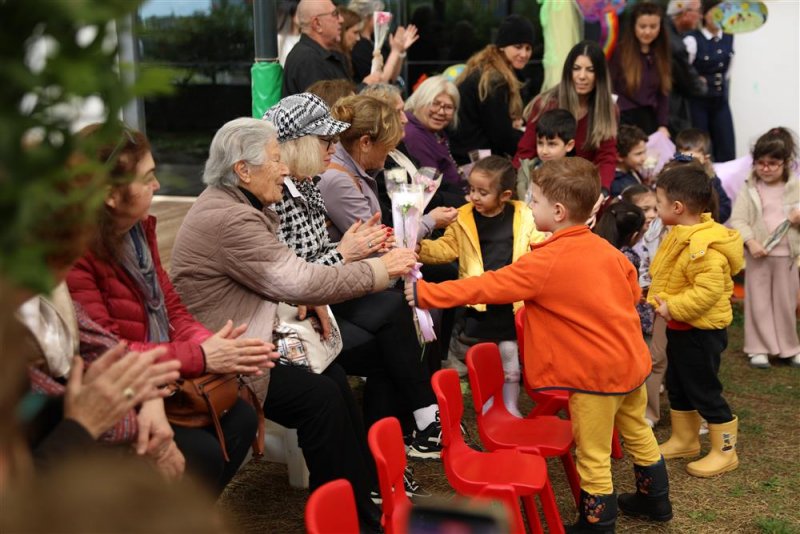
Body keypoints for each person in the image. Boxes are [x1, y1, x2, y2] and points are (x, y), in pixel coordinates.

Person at [168, 117, 416, 531]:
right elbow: (298, 277)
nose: (284, 168)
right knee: (322, 398)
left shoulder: (234, 204)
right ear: (243, 170)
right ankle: (345, 518)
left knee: (333, 381)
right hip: (227, 357)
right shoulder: (232, 218)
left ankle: (360, 507)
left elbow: (285, 279)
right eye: (275, 159)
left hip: (248, 341)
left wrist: (306, 294)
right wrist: (380, 269)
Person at [406, 157, 671, 531]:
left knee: (592, 453)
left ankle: (597, 524)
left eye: (534, 200)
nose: (529, 206)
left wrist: (428, 293)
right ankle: (655, 499)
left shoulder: (544, 262)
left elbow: (487, 286)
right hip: (631, 363)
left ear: (558, 211)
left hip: (593, 378)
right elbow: (632, 295)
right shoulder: (607, 250)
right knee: (638, 431)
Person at [66, 127, 275, 495]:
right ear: (110, 194)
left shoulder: (135, 233)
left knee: (240, 418)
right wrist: (202, 355)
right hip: (117, 395)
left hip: (158, 377)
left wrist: (212, 345)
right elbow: (107, 352)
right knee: (203, 453)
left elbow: (172, 308)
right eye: (147, 177)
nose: (158, 185)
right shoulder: (78, 255)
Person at [263, 94, 444, 476]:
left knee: (397, 314)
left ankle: (397, 443)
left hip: (321, 300)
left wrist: (350, 249)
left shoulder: (307, 185)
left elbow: (314, 258)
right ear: (298, 145)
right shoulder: (278, 195)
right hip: (296, 317)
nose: (334, 148)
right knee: (393, 331)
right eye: (325, 141)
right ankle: (402, 439)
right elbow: (294, 280)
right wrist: (347, 253)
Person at [418, 156, 545, 417]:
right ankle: (488, 405)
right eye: (471, 189)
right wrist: (420, 248)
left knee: (510, 353)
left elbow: (539, 242)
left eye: (483, 192)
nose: (474, 196)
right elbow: (446, 248)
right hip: (480, 300)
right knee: (483, 356)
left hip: (511, 302)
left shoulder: (523, 215)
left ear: (505, 195)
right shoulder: (463, 218)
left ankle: (510, 405)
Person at [648, 162, 744, 478]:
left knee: (704, 389)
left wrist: (672, 307)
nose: (656, 208)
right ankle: (685, 439)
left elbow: (707, 291)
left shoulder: (705, 247)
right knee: (678, 384)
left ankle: (725, 451)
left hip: (701, 332)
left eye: (658, 203)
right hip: (681, 327)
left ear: (677, 207)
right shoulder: (681, 234)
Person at [319, 94, 455, 240]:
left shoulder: (350, 168)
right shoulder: (339, 181)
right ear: (365, 143)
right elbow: (376, 244)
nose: (391, 150)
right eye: (388, 143)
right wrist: (430, 221)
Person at [729, 127, 800, 369]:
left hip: (787, 256)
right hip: (757, 255)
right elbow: (738, 219)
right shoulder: (750, 188)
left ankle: (788, 348)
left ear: (785, 163)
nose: (765, 168)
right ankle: (758, 348)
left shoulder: (795, 186)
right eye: (760, 163)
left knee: (786, 303)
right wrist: (750, 241)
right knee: (758, 303)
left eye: (772, 163)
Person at [514, 41, 618, 192]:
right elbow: (525, 154)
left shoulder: (608, 109)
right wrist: (518, 190)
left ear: (600, 75)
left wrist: (601, 191)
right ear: (568, 71)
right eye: (576, 68)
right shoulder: (546, 104)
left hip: (587, 189)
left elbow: (606, 157)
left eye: (590, 70)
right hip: (545, 187)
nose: (582, 76)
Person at [450, 15, 535, 163]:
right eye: (518, 47)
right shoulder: (494, 79)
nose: (524, 54)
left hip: (468, 154)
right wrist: (534, 144)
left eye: (528, 48)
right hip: (473, 161)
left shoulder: (487, 69)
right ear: (502, 46)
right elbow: (502, 135)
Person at [282, 0, 379, 97]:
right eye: (335, 14)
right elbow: (328, 103)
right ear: (317, 24)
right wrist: (365, 86)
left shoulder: (327, 53)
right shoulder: (307, 59)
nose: (341, 20)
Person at [683, 0, 735, 162]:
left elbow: (728, 71)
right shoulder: (692, 39)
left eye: (723, 12)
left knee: (726, 145)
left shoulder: (728, 37)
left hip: (720, 100)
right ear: (703, 15)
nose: (720, 16)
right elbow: (684, 73)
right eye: (715, 12)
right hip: (698, 103)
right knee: (700, 147)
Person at [610, 2, 672, 136]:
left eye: (653, 26)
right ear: (634, 26)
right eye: (642, 26)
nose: (647, 32)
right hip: (624, 119)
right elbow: (610, 88)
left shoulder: (661, 54)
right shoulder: (619, 53)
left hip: (651, 120)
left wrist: (663, 125)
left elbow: (663, 94)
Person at [594, 200, 651, 339]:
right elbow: (631, 296)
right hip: (620, 326)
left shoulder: (593, 248)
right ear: (634, 235)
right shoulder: (628, 257)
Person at [403, 75, 464, 197]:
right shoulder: (413, 135)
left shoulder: (433, 131)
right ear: (420, 101)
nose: (441, 112)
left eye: (448, 107)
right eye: (435, 104)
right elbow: (431, 187)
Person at [516, 108, 577, 202]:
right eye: (540, 143)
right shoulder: (528, 169)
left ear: (569, 145)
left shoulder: (575, 177)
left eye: (551, 144)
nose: (544, 151)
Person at [666, 0, 706, 135]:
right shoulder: (674, 44)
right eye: (698, 11)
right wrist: (701, 83)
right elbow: (689, 81)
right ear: (684, 13)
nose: (700, 16)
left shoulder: (669, 32)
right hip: (670, 111)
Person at [674, 128, 732, 222]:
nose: (689, 163)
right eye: (683, 158)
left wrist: (707, 219)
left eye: (694, 159)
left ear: (705, 158)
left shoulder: (711, 179)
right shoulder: (671, 179)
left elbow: (725, 207)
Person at [611, 125, 649, 197]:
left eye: (644, 152)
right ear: (619, 156)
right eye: (638, 154)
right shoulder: (619, 185)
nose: (644, 158)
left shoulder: (631, 169)